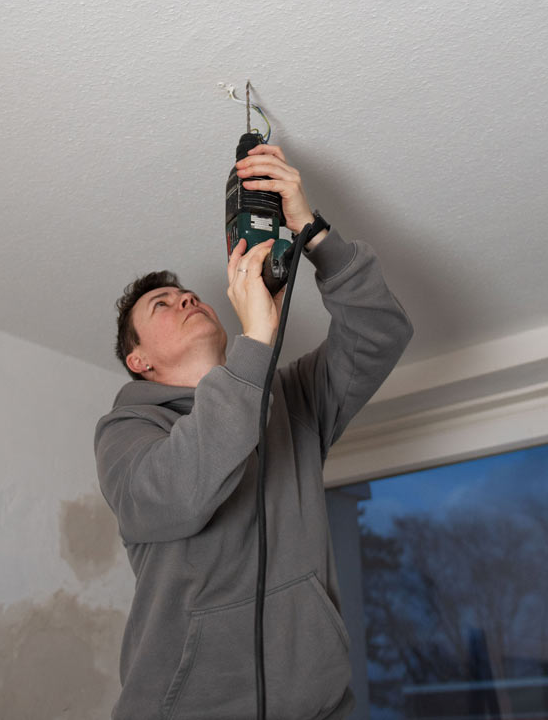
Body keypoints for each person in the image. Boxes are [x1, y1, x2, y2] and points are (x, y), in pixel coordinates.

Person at [94, 143, 412, 720]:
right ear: (139, 362)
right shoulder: (127, 431)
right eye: (161, 305)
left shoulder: (290, 401)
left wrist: (314, 234)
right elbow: (175, 495)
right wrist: (256, 343)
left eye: (186, 292)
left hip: (320, 707)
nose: (187, 297)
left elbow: (380, 333)